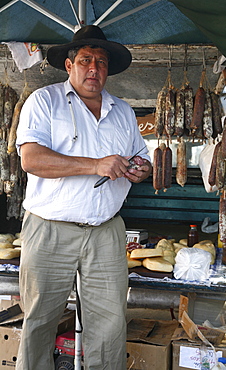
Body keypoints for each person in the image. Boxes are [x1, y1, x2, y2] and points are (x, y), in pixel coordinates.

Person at [15, 25, 152, 370]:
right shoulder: (43, 102)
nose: (95, 69)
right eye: (86, 60)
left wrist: (141, 169)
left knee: (109, 326)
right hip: (50, 229)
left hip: (106, 231)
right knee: (39, 322)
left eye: (102, 63)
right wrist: (96, 165)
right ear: (69, 64)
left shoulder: (122, 111)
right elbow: (31, 159)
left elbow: (141, 156)